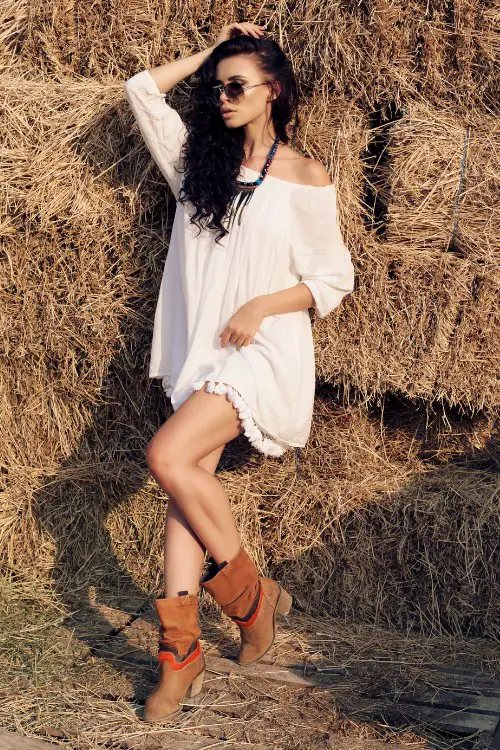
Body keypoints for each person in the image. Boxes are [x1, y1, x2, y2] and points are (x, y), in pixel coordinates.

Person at [123, 22, 355, 723]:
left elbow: (333, 278)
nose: (222, 97)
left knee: (164, 456)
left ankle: (253, 602)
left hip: (263, 352)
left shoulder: (307, 177)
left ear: (274, 91)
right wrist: (217, 47)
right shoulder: (199, 162)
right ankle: (181, 654)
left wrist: (263, 303)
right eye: (217, 87)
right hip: (203, 351)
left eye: (237, 86)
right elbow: (139, 90)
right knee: (183, 493)